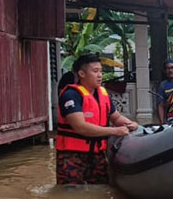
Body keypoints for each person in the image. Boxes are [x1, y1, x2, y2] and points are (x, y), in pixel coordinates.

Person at [56, 53, 139, 185]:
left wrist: (130, 124)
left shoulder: (103, 94)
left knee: (102, 191)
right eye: (95, 71)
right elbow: (80, 127)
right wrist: (115, 131)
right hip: (72, 156)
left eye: (101, 71)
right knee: (70, 195)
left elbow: (116, 117)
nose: (100, 75)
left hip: (98, 155)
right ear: (82, 74)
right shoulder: (71, 95)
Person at [156, 58, 173, 123]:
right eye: (167, 68)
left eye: (172, 68)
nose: (170, 70)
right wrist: (162, 123)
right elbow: (160, 105)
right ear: (165, 70)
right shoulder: (162, 85)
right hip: (171, 118)